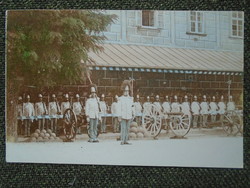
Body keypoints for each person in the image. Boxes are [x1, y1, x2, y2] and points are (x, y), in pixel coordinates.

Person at [117, 80, 135, 145]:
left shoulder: (131, 99)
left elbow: (132, 107)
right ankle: (122, 140)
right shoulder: (120, 99)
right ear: (123, 91)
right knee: (123, 128)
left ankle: (126, 140)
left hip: (129, 115)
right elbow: (118, 108)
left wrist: (133, 113)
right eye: (125, 91)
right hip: (123, 115)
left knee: (127, 128)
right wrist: (119, 116)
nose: (126, 92)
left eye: (127, 91)